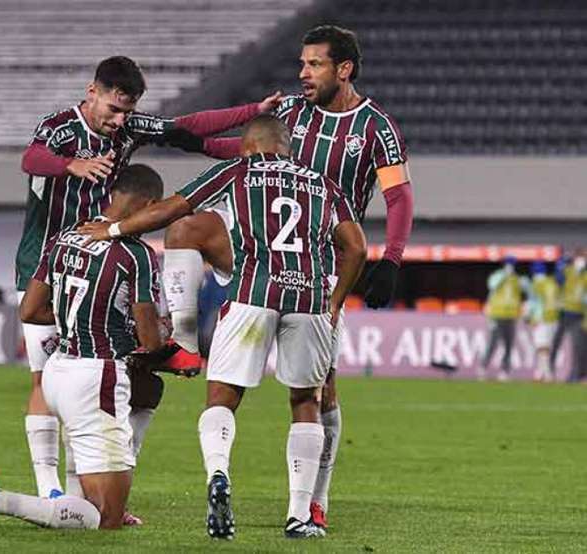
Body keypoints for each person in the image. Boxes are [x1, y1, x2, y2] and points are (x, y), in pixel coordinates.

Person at [148, 24, 413, 528]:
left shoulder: (376, 128)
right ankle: (182, 337)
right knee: (185, 228)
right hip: (257, 251)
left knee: (321, 392)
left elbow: (398, 197)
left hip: (320, 265)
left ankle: (317, 499)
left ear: (344, 69)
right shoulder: (290, 112)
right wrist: (188, 137)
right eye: (302, 63)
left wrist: (392, 259)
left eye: (314, 64)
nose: (302, 73)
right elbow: (237, 149)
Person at [78, 115, 367, 539]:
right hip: (309, 299)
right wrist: (336, 300)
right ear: (287, 148)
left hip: (253, 294)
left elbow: (173, 209)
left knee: (222, 397)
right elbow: (357, 247)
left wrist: (114, 228)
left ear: (247, 146)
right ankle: (300, 515)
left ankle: (219, 473)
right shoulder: (322, 183)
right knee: (306, 401)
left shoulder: (238, 170)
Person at [15, 55, 283, 504]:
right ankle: (50, 488)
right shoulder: (60, 128)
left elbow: (190, 129)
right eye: (113, 109)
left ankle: (84, 495)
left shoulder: (129, 129)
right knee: (45, 377)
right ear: (92, 91)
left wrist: (252, 117)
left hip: (102, 266)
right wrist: (72, 167)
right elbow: (31, 158)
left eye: (127, 112)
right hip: (46, 263)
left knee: (107, 378)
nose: (119, 121)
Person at [0, 164, 186, 531]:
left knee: (85, 498)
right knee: (106, 518)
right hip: (96, 375)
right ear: (150, 205)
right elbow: (150, 341)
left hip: (58, 371)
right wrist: (170, 346)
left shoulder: (64, 238)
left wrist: (84, 318)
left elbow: (31, 310)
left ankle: (48, 498)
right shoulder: (136, 254)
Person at [480, 257, 528, 381]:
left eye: (512, 265)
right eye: (508, 264)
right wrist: (503, 275)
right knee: (493, 343)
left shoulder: (516, 279)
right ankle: (483, 367)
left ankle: (504, 371)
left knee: (508, 345)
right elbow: (491, 285)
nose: (510, 267)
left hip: (511, 316)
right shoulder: (497, 276)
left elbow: (526, 289)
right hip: (497, 315)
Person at [550, 252, 586, 381]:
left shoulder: (585, 275)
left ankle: (575, 375)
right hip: (564, 313)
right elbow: (558, 280)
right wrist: (561, 265)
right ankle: (549, 370)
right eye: (580, 258)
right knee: (555, 343)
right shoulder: (568, 271)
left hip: (578, 315)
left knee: (579, 347)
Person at [524, 261, 559, 381]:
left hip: (541, 318)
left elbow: (533, 302)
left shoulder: (536, 284)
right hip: (553, 317)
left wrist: (528, 317)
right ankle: (540, 373)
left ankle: (547, 374)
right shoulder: (552, 282)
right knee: (546, 347)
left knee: (541, 347)